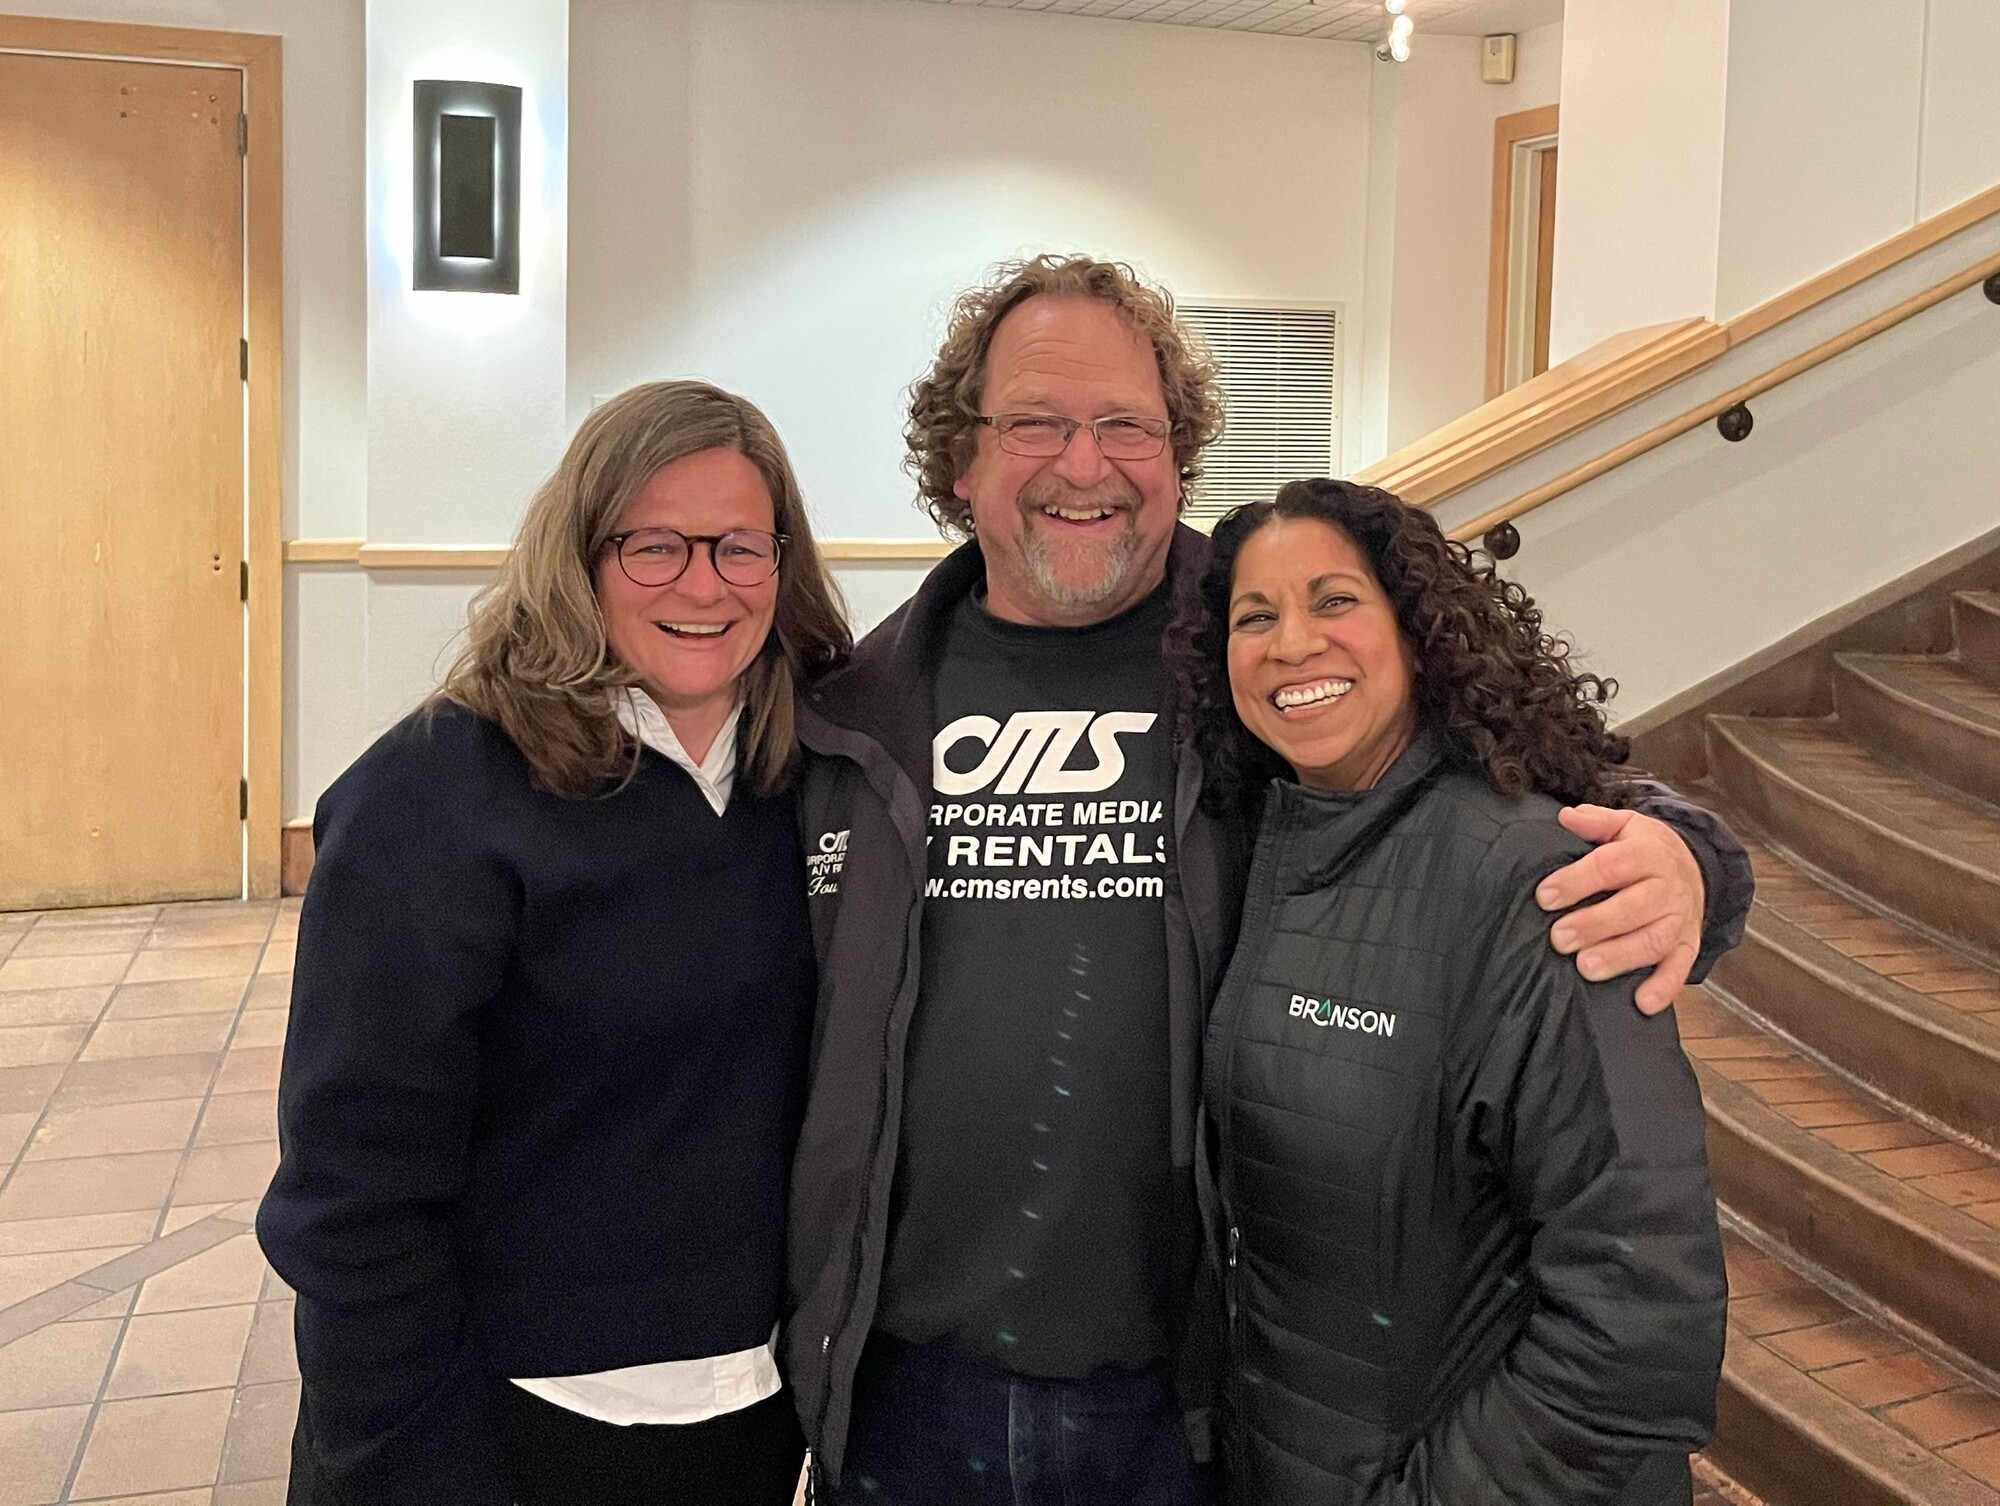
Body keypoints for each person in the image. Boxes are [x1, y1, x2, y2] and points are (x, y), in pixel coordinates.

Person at [784, 255, 1751, 1503]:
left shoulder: (1266, 652)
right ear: (958, 461)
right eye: (1033, 422)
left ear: (1177, 455)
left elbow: (1532, 772)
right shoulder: (848, 716)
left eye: (1126, 424)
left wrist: (1692, 858)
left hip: (1199, 1392)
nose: (1084, 464)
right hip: (905, 1389)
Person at [256, 381, 850, 1506]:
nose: (703, 584)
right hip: (514, 1423)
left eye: (739, 546)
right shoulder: (436, 793)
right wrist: (404, 1453)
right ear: (578, 554)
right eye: (655, 546)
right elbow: (351, 1189)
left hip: (750, 1408)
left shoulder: (812, 776)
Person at [1179, 478, 1727, 1504]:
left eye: (1333, 601)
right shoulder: (1261, 841)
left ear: (1418, 633)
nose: (1292, 643)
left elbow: (1638, 1305)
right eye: (1256, 617)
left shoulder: (1540, 877)